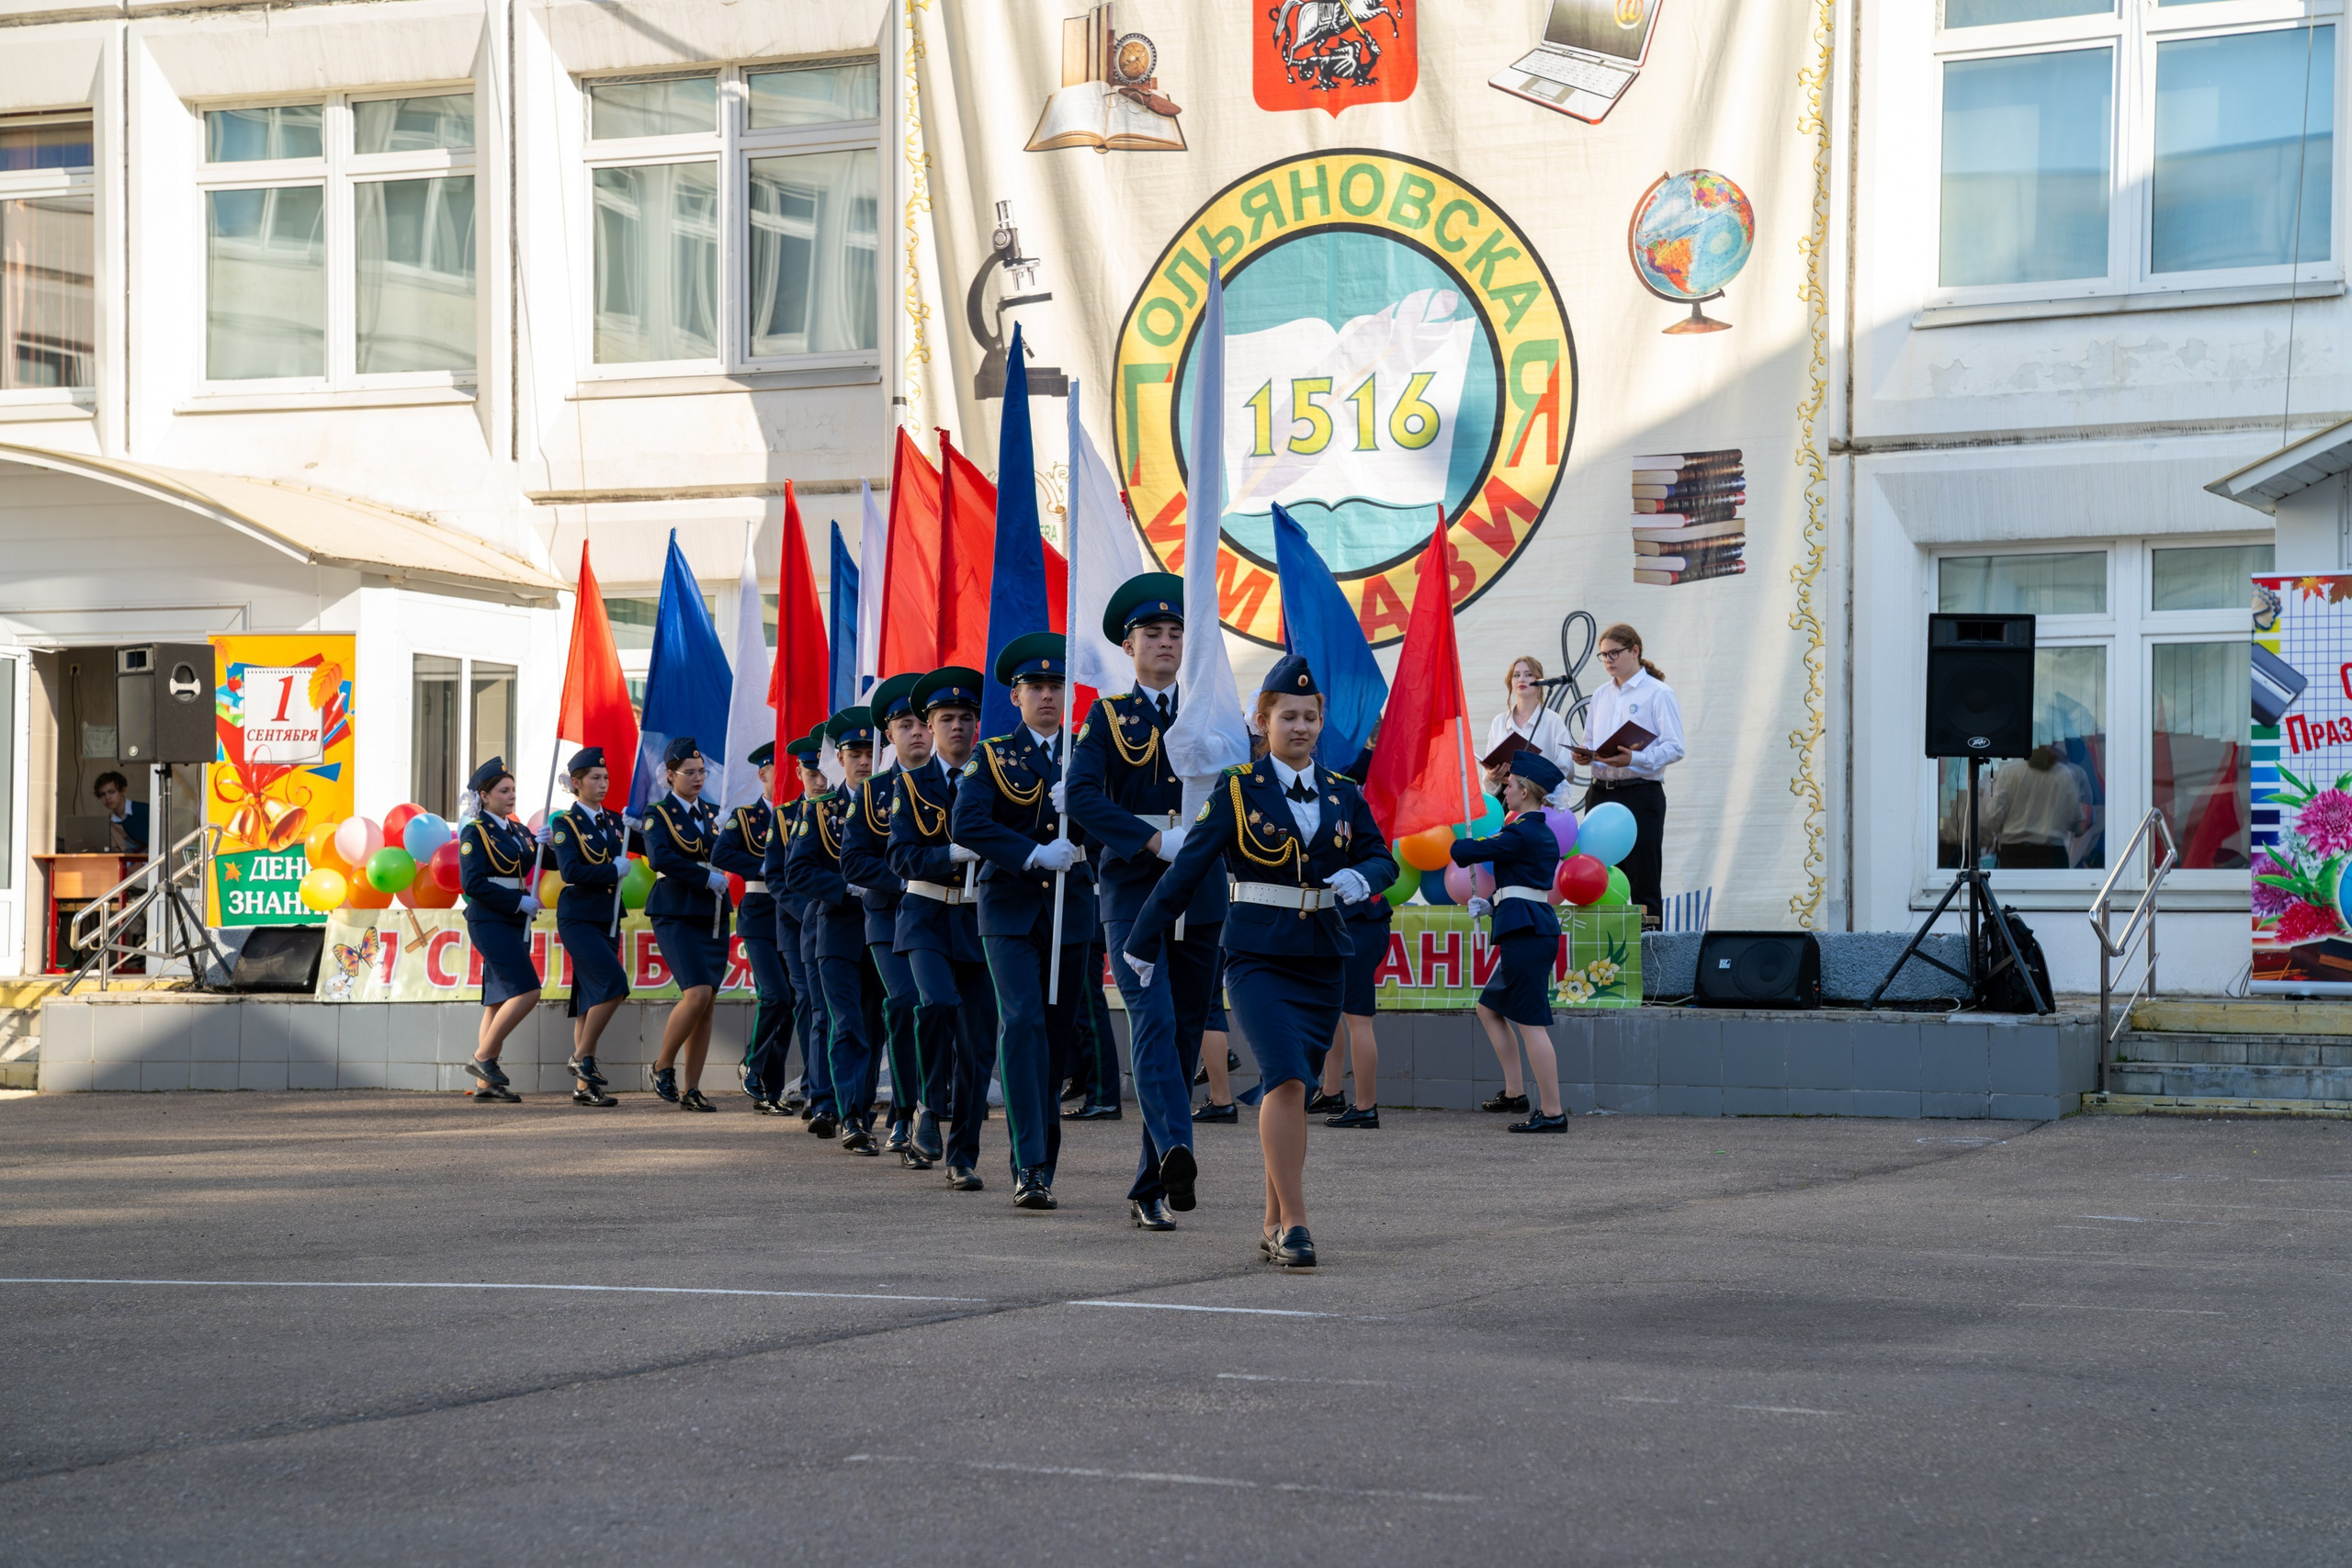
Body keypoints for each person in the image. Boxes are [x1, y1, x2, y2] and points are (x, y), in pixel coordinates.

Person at [1123, 655, 1394, 1269]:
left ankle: (1272, 1221)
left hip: (1322, 956)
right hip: (1257, 957)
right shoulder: (1238, 788)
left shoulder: (1343, 792)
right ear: (1263, 721)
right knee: (1287, 1078)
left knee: (1291, 1087)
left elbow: (1383, 857)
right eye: (1287, 716)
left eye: (1310, 717)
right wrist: (1140, 942)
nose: (1300, 727)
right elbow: (1188, 867)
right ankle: (1296, 1222)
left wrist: (1363, 876)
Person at [1065, 572, 1227, 1229]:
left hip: (1202, 888)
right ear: (1128, 647)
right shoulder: (1108, 718)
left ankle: (1152, 1181)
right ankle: (1176, 1148)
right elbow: (1082, 796)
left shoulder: (1210, 712)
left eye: (1175, 632)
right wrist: (1153, 839)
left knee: (1184, 1034)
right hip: (1135, 886)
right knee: (1153, 1020)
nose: (1165, 642)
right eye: (1152, 633)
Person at [951, 632, 1096, 1211]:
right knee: (1023, 1024)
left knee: (1056, 1036)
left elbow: (1112, 824)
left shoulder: (1085, 754)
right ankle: (1029, 1164)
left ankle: (1044, 1163)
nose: (1047, 696)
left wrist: (1082, 812)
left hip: (1070, 907)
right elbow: (967, 823)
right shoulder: (991, 756)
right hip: (1010, 906)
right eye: (1036, 687)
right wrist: (1032, 852)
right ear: (1015, 696)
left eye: (1056, 685)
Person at [889, 666, 995, 1191]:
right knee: (936, 1004)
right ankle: (930, 1104)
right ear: (930, 727)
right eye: (947, 718)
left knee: (977, 1046)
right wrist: (947, 854)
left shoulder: (998, 780)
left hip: (980, 919)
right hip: (927, 915)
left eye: (966, 718)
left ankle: (962, 1156)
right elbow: (899, 856)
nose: (958, 727)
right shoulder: (910, 786)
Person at [842, 673, 935, 1167]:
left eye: (923, 723)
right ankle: (902, 1112)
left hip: (942, 916)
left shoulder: (955, 784)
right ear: (889, 735)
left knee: (939, 1010)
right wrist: (906, 880)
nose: (916, 732)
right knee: (904, 1003)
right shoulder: (872, 791)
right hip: (888, 915)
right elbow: (853, 861)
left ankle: (929, 1110)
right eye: (905, 725)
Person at [1453, 750, 1570, 1133]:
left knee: (1530, 1023)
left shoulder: (1522, 831)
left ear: (1525, 792)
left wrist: (1454, 828)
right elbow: (1524, 882)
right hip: (1527, 926)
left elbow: (1466, 852)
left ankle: (1552, 1112)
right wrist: (1491, 904)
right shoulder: (1533, 831)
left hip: (1527, 933)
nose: (1505, 790)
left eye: (1511, 785)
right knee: (1489, 1009)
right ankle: (1515, 1092)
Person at [788, 706, 888, 1152]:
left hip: (883, 928)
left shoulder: (893, 801)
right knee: (845, 1023)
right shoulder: (820, 809)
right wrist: (847, 887)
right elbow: (797, 871)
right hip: (837, 930)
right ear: (839, 758)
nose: (864, 761)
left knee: (874, 1025)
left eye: (870, 753)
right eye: (855, 754)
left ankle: (861, 1109)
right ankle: (850, 1116)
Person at [1572, 624, 1684, 921]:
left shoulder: (1658, 693)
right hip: (1600, 793)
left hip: (1640, 793)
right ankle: (1601, 945)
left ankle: (1650, 945)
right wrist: (1584, 754)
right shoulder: (1600, 694)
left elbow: (1675, 747)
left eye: (1614, 653)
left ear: (1635, 651)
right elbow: (1590, 741)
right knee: (1598, 875)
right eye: (1603, 655)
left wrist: (1634, 758)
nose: (1608, 660)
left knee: (1643, 877)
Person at [642, 737, 729, 1112]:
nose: (697, 778)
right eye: (689, 773)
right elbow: (659, 857)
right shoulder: (658, 814)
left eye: (701, 772)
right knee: (696, 993)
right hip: (676, 909)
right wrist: (703, 876)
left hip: (712, 911)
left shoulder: (715, 813)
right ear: (670, 775)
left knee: (707, 1003)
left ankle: (692, 1088)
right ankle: (662, 1065)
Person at [549, 746, 638, 1108]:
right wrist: (611, 870)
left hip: (608, 916)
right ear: (577, 782)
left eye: (606, 778)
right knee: (614, 985)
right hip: (579, 916)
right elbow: (570, 871)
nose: (603, 784)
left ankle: (584, 1087)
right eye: (595, 778)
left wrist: (643, 823)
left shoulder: (615, 821)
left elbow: (655, 846)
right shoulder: (565, 824)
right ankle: (581, 1056)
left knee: (589, 999)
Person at [712, 740, 793, 1115]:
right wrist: (763, 866)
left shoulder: (800, 813)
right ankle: (752, 1064)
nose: (787, 775)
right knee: (775, 995)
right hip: (760, 912)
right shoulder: (746, 817)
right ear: (763, 774)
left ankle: (770, 1090)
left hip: (792, 912)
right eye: (779, 769)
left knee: (791, 1002)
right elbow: (721, 853)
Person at [457, 757, 542, 1104]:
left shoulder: (518, 831)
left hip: (514, 918)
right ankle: (482, 1058)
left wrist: (551, 843)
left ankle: (485, 1084)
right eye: (504, 791)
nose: (511, 796)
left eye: (513, 790)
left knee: (496, 1000)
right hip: (490, 919)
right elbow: (472, 883)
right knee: (527, 991)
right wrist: (516, 901)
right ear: (485, 795)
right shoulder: (475, 832)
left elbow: (539, 859)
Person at [1313, 738, 1388, 1130]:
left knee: (1358, 1018)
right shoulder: (1345, 803)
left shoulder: (1349, 806)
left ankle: (1365, 1106)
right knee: (1334, 1010)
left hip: (1359, 919)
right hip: (1352, 919)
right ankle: (1331, 1091)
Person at [767, 728, 831, 1114]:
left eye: (824, 772)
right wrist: (808, 909)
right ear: (798, 773)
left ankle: (831, 1086)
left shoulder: (842, 808)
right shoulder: (784, 816)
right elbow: (776, 877)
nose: (820, 781)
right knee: (808, 1001)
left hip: (838, 920)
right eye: (812, 773)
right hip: (798, 926)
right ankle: (813, 1085)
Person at [1983, 748, 2089, 870]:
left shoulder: (2009, 772)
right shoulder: (2064, 774)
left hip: (2014, 854)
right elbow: (2074, 819)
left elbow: (1993, 816)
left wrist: (1996, 832)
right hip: (2052, 853)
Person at [1485, 655, 1577, 772]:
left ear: (1539, 680)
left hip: (1541, 784)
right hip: (1504, 784)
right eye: (1516, 675)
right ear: (1510, 681)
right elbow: (1487, 773)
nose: (1521, 679)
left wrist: (1537, 781)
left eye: (1528, 675)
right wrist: (1492, 776)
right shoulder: (1499, 722)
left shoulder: (1553, 721)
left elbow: (1566, 770)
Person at [93, 772, 150, 855]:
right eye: (102, 794)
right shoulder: (108, 823)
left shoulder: (145, 810)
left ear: (123, 791)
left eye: (111, 792)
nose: (107, 797)